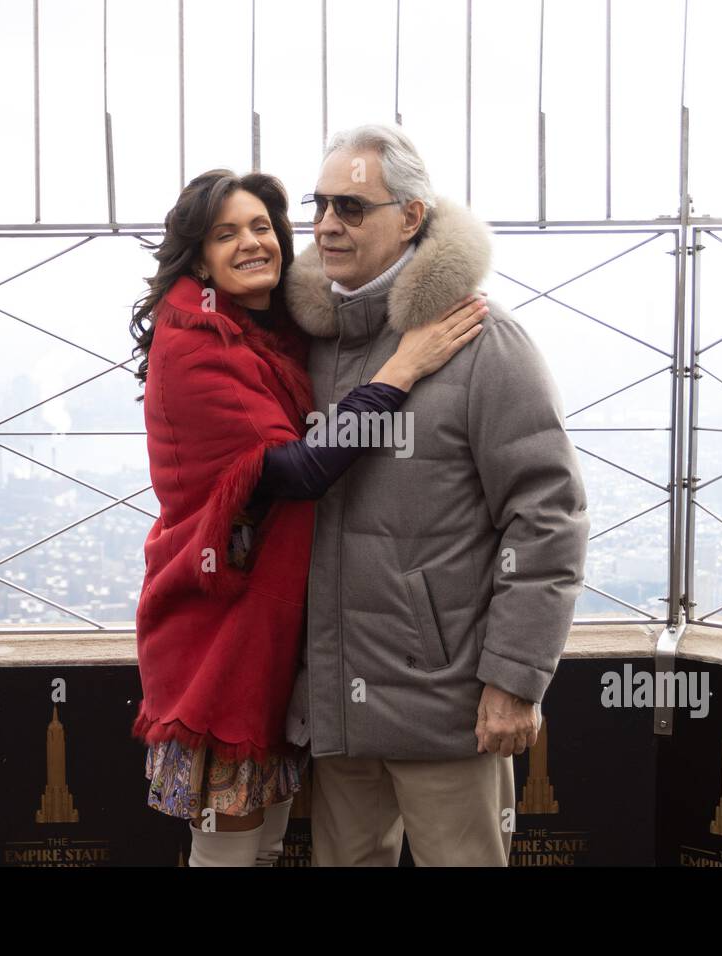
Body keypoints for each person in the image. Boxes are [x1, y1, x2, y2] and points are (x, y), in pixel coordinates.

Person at [128, 168, 486, 866]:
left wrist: (433, 262)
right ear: (198, 258)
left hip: (271, 630)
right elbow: (301, 470)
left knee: (260, 846)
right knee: (230, 854)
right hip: (221, 635)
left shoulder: (266, 330)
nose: (251, 243)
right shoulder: (198, 345)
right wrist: (401, 369)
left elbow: (375, 252)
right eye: (226, 234)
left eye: (262, 226)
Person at [283, 124, 590, 866]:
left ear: (411, 217)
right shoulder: (305, 344)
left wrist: (515, 680)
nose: (327, 224)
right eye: (319, 204)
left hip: (447, 713)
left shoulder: (484, 343)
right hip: (337, 711)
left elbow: (546, 515)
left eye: (352, 207)